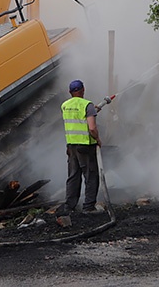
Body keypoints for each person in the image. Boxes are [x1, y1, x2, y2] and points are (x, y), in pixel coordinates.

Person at [60, 79, 102, 215]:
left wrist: (93, 111)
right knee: (91, 176)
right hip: (86, 146)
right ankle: (88, 207)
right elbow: (92, 128)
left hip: (71, 146)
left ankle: (69, 207)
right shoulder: (87, 105)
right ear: (83, 89)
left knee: (73, 176)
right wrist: (98, 139)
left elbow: (76, 119)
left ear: (70, 92)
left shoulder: (65, 105)